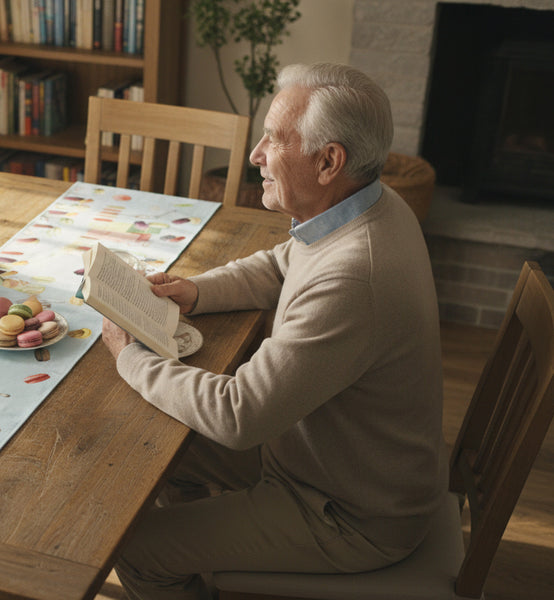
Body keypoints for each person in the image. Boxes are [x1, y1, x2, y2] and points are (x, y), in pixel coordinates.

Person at [101, 63, 445, 599]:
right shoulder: (371, 202)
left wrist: (129, 355)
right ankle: (207, 560)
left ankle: (191, 563)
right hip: (322, 459)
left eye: (274, 141)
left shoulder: (356, 276)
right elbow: (286, 262)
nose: (256, 155)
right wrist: (196, 291)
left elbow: (239, 414)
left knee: (134, 550)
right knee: (157, 446)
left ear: (330, 161)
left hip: (350, 514)